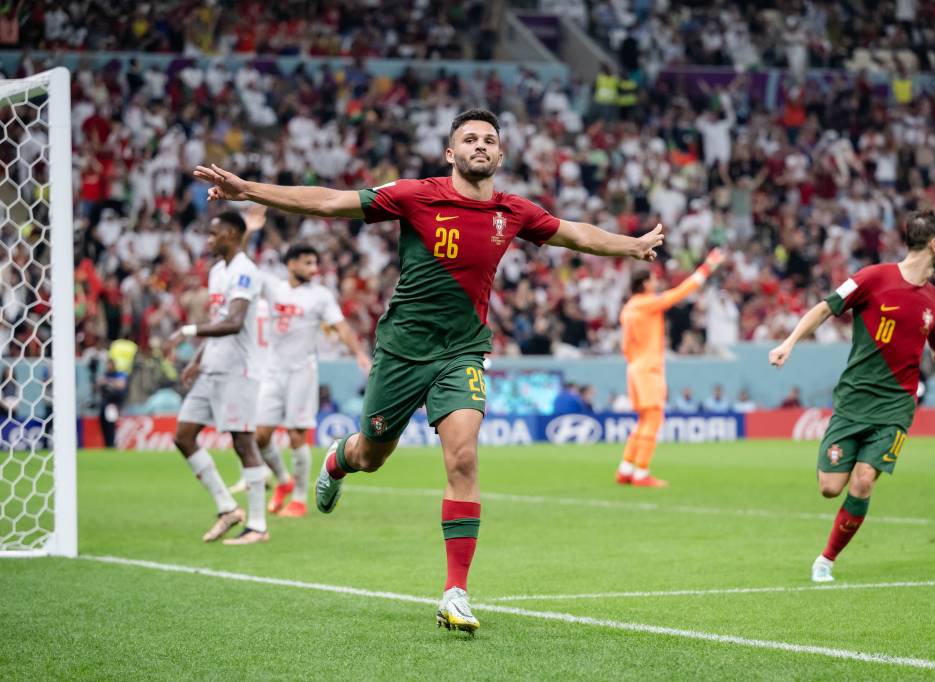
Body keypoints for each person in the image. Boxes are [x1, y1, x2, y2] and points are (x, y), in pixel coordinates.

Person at [194, 108, 664, 634]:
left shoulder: (515, 210)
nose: (480, 146)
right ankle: (338, 462)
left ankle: (455, 592)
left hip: (462, 352)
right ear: (450, 153)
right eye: (469, 139)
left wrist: (633, 244)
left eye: (489, 139)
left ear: (501, 154)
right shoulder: (416, 195)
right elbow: (330, 201)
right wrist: (249, 191)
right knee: (371, 455)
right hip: (400, 352)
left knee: (463, 456)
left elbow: (574, 234)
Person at [769, 210, 935, 583]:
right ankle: (830, 546)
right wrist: (789, 343)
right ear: (933, 245)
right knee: (830, 488)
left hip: (897, 405)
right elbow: (824, 307)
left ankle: (825, 561)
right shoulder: (872, 278)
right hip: (852, 400)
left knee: (863, 481)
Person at [245, 206, 372, 518]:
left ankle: (300, 499)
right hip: (273, 371)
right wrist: (249, 231)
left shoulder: (321, 296)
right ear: (290, 264)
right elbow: (243, 268)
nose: (314, 267)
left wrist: (358, 353)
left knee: (296, 436)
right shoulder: (273, 287)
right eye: (307, 262)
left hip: (303, 371)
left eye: (316, 262)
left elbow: (341, 327)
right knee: (259, 436)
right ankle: (285, 481)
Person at [164, 211, 269, 545]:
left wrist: (186, 331)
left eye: (214, 234)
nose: (208, 240)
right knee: (183, 436)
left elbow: (235, 321)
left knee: (242, 442)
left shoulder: (244, 271)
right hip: (212, 366)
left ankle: (257, 525)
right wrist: (198, 358)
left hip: (238, 369)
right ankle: (227, 508)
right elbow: (219, 318)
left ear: (232, 234)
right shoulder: (217, 272)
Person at [615, 249, 724, 487]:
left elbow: (624, 345)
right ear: (644, 284)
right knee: (653, 418)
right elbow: (681, 293)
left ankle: (626, 468)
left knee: (643, 419)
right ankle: (641, 472)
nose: (656, 283)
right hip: (649, 368)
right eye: (652, 279)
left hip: (634, 367)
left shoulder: (628, 308)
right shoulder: (647, 304)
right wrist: (707, 267)